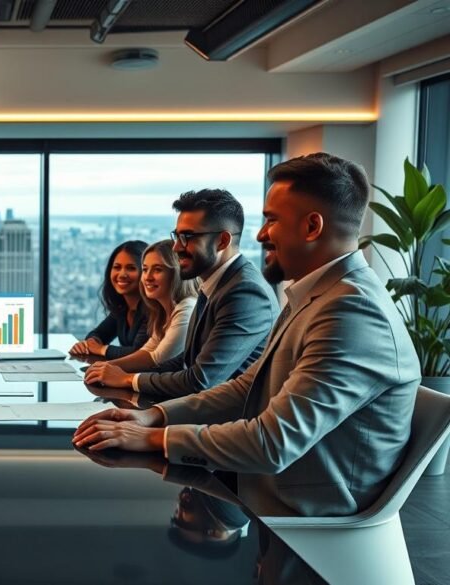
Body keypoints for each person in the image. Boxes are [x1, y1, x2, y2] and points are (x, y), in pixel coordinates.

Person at [74, 153, 421, 517]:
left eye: (271, 220)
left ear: (312, 227)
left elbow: (274, 443)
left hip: (300, 511)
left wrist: (152, 439)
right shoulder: (317, 295)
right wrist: (154, 417)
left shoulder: (352, 312)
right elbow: (247, 388)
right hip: (261, 484)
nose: (259, 235)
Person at [86, 189, 277, 398]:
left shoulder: (244, 292)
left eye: (187, 237)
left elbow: (201, 379)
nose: (176, 247)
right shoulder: (214, 284)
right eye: (177, 236)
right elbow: (185, 360)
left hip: (226, 419)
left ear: (222, 241)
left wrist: (127, 379)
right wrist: (117, 371)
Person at [84, 240, 199, 380]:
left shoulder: (187, 309)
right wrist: (105, 367)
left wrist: (107, 365)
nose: (148, 277)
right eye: (145, 269)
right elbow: (148, 350)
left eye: (157, 269)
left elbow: (155, 358)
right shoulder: (161, 310)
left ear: (176, 273)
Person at [70, 240, 151, 359]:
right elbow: (99, 333)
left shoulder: (152, 309)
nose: (122, 274)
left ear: (146, 272)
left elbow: (140, 353)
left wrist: (101, 349)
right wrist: (90, 343)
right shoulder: (123, 308)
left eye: (131, 268)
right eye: (117, 267)